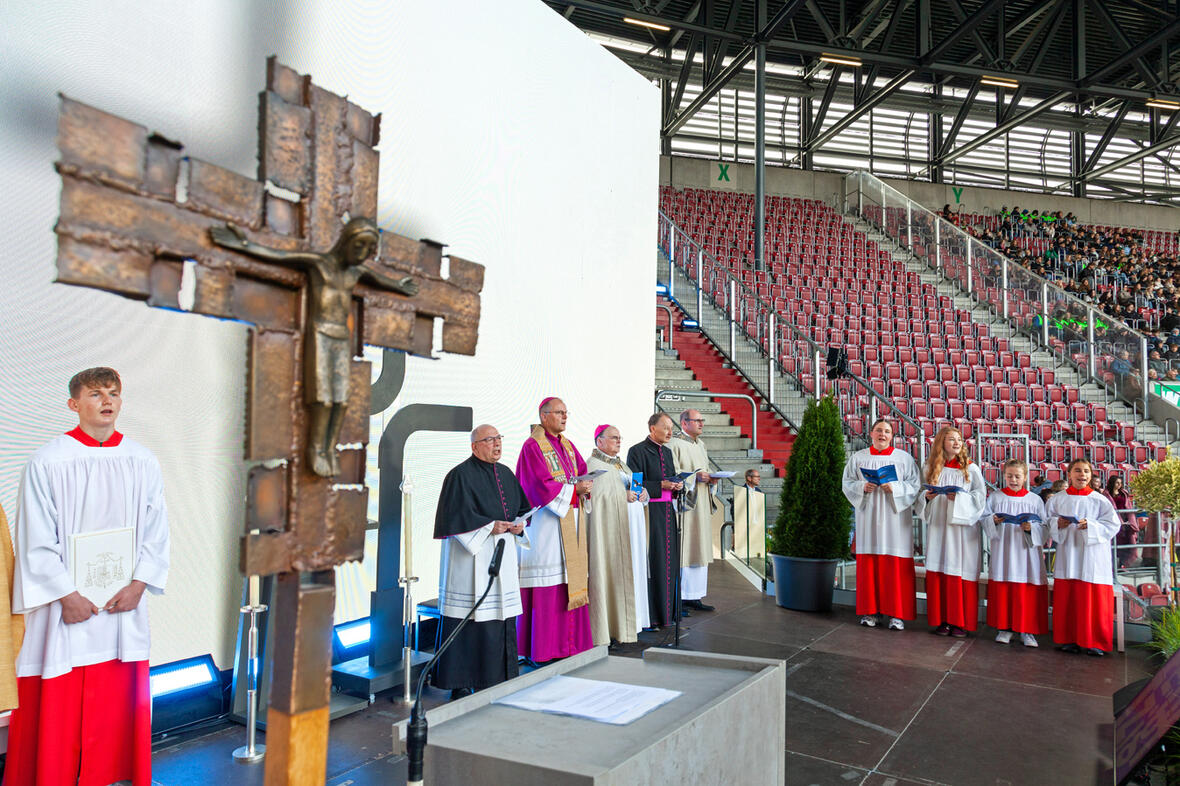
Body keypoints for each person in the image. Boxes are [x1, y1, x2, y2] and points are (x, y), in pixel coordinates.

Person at [6, 367, 169, 786]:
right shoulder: (48, 461)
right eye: (95, 394)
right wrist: (66, 595)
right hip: (65, 608)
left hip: (122, 604)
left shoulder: (141, 459)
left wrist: (138, 585)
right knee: (58, 701)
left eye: (113, 393)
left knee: (119, 700)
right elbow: (35, 537)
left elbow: (157, 530)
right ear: (74, 404)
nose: (107, 400)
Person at [210, 218, 418, 477]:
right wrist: (244, 244)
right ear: (346, 241)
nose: (362, 253)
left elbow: (382, 280)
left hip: (341, 336)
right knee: (323, 397)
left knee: (341, 400)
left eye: (368, 249)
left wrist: (399, 285)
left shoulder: (355, 273)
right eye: (358, 245)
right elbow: (278, 256)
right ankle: (316, 447)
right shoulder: (318, 263)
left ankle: (330, 448)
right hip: (320, 333)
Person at [432, 424, 531, 699]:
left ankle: (499, 677)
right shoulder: (459, 476)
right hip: (471, 560)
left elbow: (522, 510)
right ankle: (462, 682)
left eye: (499, 438)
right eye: (490, 440)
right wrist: (489, 527)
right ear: (474, 446)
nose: (497, 444)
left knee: (500, 615)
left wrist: (519, 525)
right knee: (469, 617)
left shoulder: (506, 474)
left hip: (502, 555)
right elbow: (454, 517)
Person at [515, 397, 594, 662]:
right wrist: (574, 490)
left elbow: (582, 471)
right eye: (559, 412)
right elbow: (538, 485)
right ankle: (544, 648)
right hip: (546, 527)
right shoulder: (533, 446)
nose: (564, 417)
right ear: (544, 416)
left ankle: (569, 646)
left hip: (568, 521)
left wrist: (586, 486)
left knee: (568, 581)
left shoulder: (567, 445)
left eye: (565, 412)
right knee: (549, 586)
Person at [841, 419, 920, 631]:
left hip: (896, 522)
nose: (882, 434)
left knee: (895, 569)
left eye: (886, 431)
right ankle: (870, 612)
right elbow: (847, 483)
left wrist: (894, 488)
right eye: (878, 430)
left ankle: (897, 615)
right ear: (871, 433)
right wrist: (862, 487)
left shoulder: (903, 458)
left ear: (892, 436)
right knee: (870, 567)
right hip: (868, 520)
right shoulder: (859, 458)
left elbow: (914, 486)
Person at [1046, 459, 1121, 656]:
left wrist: (1091, 525)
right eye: (1078, 471)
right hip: (1068, 552)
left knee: (1092, 598)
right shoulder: (1057, 499)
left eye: (1086, 471)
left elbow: (1113, 525)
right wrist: (1057, 523)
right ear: (1069, 474)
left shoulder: (1100, 500)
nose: (1082, 475)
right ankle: (1068, 638)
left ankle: (1095, 641)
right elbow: (1047, 522)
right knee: (1069, 597)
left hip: (1092, 555)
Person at [916, 427, 986, 638]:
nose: (957, 443)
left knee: (960, 571)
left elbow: (980, 498)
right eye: (951, 439)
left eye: (959, 440)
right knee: (940, 570)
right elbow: (919, 497)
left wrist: (960, 499)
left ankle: (960, 622)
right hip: (939, 527)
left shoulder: (970, 469)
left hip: (962, 532)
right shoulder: (929, 467)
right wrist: (927, 497)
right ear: (941, 443)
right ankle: (943, 620)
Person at [585, 425, 650, 647]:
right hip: (611, 529)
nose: (618, 441)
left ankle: (633, 623)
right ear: (599, 441)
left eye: (620, 437)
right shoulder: (594, 465)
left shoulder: (621, 464)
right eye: (614, 438)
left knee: (634, 571)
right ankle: (614, 626)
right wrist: (623, 496)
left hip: (632, 526)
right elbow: (595, 496)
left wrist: (643, 493)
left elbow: (636, 486)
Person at [981, 460, 1048, 648]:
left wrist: (1031, 528)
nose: (1013, 480)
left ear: (1025, 477)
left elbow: (1044, 526)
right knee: (1005, 587)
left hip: (1027, 553)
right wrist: (993, 520)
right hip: (1004, 549)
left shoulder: (1034, 500)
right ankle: (1005, 628)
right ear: (1004, 476)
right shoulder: (996, 497)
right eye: (1009, 476)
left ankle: (1027, 630)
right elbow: (984, 518)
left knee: (1027, 589)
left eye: (1017, 476)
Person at [627, 413, 684, 629]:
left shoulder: (667, 452)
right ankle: (653, 616)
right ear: (652, 428)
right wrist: (660, 485)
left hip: (668, 511)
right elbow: (635, 485)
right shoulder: (637, 451)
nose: (670, 432)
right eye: (666, 427)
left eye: (671, 428)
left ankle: (669, 613)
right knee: (655, 561)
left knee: (670, 562)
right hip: (649, 512)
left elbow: (670, 478)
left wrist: (677, 485)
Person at [668, 409, 718, 613]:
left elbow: (704, 469)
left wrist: (712, 479)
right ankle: (679, 597)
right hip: (687, 505)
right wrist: (694, 478)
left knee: (700, 548)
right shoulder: (674, 444)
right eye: (697, 420)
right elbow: (672, 473)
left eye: (702, 420)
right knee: (686, 548)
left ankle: (695, 595)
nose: (701, 424)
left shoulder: (701, 445)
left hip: (702, 502)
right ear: (684, 423)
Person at [1106, 476, 1140, 568]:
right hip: (1113, 519)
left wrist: (1130, 520)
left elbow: (1128, 505)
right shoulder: (1106, 494)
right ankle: (1112, 566)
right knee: (1114, 543)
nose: (1119, 485)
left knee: (1126, 542)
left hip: (1125, 520)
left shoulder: (1123, 493)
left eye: (1120, 483)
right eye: (1117, 483)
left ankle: (1123, 564)